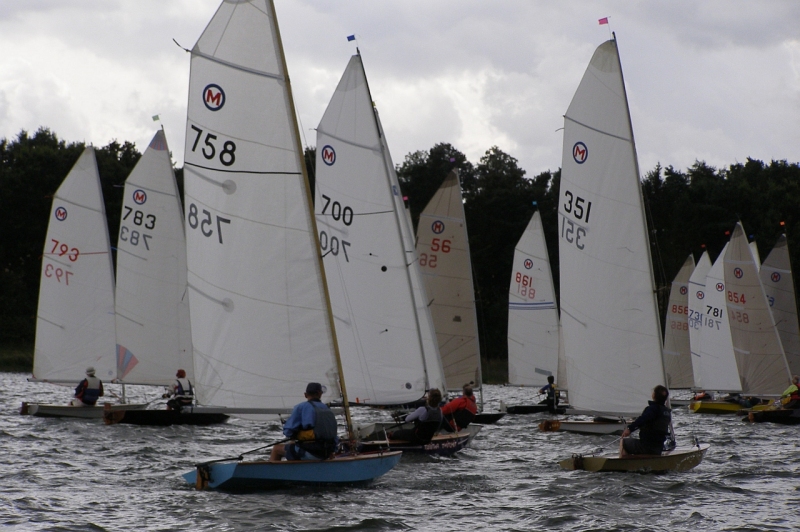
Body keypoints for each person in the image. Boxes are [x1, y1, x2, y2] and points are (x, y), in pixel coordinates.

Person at [270, 382, 339, 461]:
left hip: (311, 453)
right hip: (326, 454)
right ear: (320, 394)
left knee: (276, 449)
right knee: (293, 446)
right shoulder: (328, 409)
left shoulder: (301, 407)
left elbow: (288, 432)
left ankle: (270, 473)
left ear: (305, 395)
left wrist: (295, 435)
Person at [619, 385, 672, 457]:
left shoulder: (652, 409)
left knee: (623, 442)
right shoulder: (667, 412)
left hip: (646, 447)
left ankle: (625, 465)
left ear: (654, 395)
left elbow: (642, 419)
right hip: (658, 448)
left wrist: (629, 429)